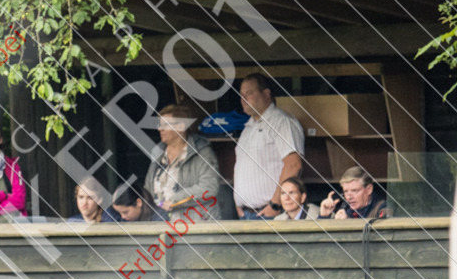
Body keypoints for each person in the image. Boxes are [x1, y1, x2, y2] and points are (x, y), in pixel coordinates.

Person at [233, 73, 304, 219]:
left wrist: (275, 205)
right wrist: (238, 204)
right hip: (245, 214)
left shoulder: (282, 122)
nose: (243, 99)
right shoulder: (248, 127)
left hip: (270, 214)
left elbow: (293, 165)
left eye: (249, 93)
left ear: (266, 94)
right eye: (241, 95)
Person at [143, 104, 222, 222]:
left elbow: (209, 187)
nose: (160, 129)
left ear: (180, 127)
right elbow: (148, 189)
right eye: (159, 125)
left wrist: (174, 201)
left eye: (165, 125)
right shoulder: (158, 153)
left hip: (195, 224)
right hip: (161, 223)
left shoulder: (202, 153)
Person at [318, 166, 391, 219]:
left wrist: (348, 224)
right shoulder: (344, 209)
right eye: (346, 191)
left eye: (355, 191)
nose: (349, 197)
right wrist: (324, 216)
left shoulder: (382, 209)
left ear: (369, 189)